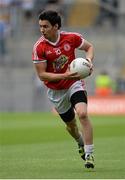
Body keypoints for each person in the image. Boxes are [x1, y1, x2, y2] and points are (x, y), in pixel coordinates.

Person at [32, 10, 94, 169]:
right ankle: (79, 142)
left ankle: (89, 154)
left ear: (56, 26)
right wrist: (65, 75)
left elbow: (89, 47)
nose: (42, 30)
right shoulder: (39, 47)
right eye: (40, 26)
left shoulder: (71, 38)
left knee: (83, 114)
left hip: (74, 84)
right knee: (72, 126)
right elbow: (42, 76)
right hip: (56, 92)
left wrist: (88, 61)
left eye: (45, 26)